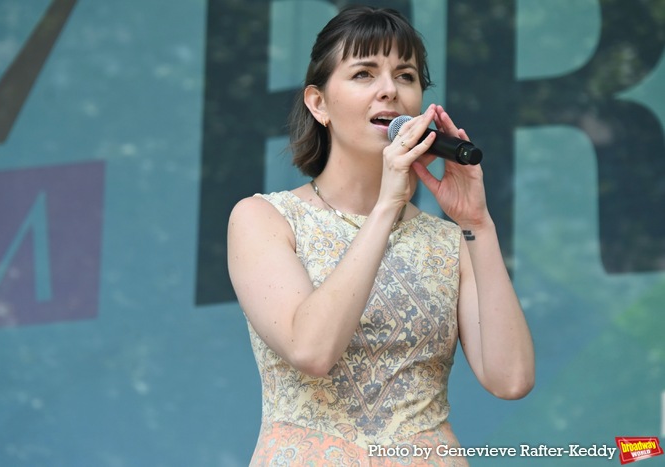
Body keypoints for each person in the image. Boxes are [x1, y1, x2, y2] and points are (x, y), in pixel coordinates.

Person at [227, 6, 535, 466]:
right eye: (364, 73)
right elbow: (311, 350)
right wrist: (387, 206)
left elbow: (510, 380)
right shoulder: (264, 218)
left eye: (405, 76)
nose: (388, 90)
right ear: (318, 103)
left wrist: (476, 224)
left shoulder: (449, 242)